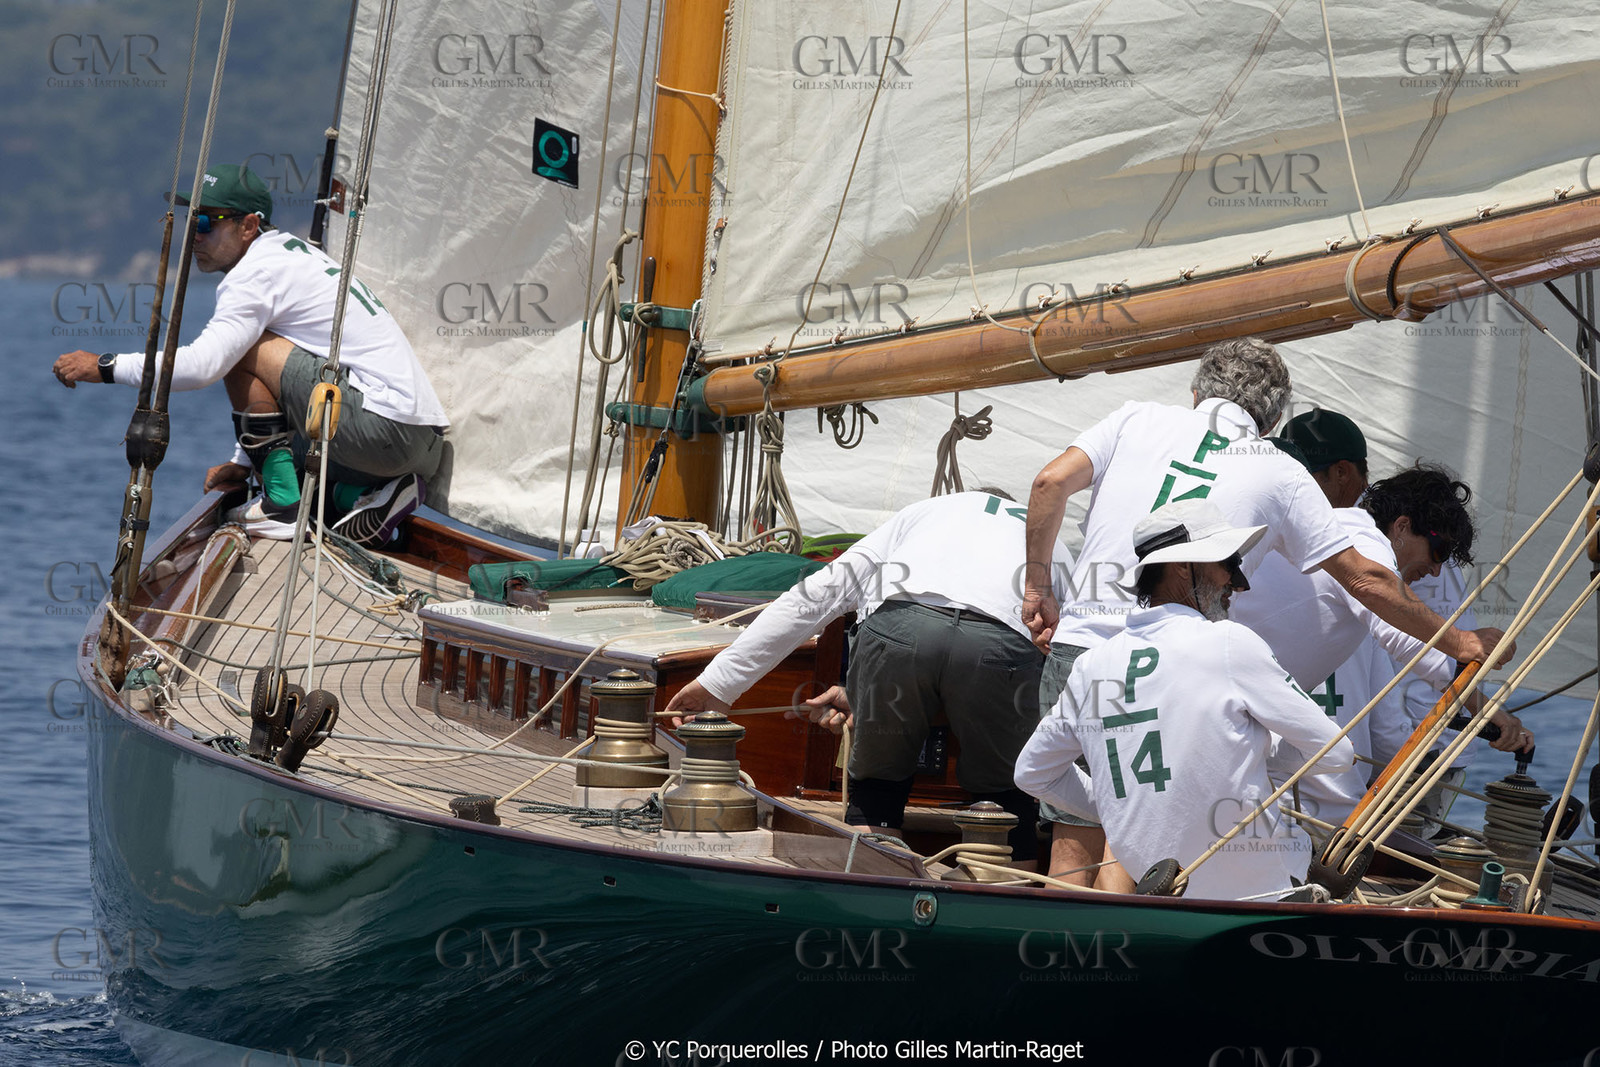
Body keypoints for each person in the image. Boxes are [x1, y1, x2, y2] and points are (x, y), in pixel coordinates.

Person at [1017, 338, 1511, 877]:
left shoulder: (1135, 418)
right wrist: (1461, 642)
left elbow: (1048, 483)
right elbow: (1368, 582)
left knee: (1078, 832)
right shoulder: (1277, 470)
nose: (1239, 581)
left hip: (1084, 646)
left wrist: (1039, 589)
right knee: (1134, 829)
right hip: (1182, 661)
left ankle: (1076, 935)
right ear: (1274, 417)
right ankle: (1125, 942)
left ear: (1196, 391)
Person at [665, 490, 1077, 864]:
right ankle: (1004, 904)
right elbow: (1076, 650)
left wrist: (717, 685)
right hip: (1002, 643)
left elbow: (814, 598)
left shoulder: (924, 512)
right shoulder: (1053, 538)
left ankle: (877, 869)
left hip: (898, 630)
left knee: (876, 794)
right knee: (1008, 801)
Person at [51, 163, 448, 545]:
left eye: (206, 223)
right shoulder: (289, 253)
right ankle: (359, 496)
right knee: (287, 444)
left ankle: (281, 508)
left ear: (249, 226)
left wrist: (104, 367)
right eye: (192, 222)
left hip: (381, 430)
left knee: (239, 352)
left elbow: (205, 366)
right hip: (416, 444)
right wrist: (242, 463)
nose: (195, 236)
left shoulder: (255, 274)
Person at [1015, 499, 1356, 901]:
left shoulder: (1092, 666)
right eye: (1228, 563)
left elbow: (1032, 773)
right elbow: (1336, 752)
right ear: (1182, 566)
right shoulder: (1229, 644)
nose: (1239, 582)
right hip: (1270, 889)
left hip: (1165, 889)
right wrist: (1263, 754)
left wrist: (1121, 811)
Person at [1231, 417, 1532, 827]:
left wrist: (1491, 712)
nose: (1435, 569)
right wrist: (1469, 655)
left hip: (1231, 714)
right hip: (1234, 714)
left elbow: (1417, 656)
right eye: (1438, 550)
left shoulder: (1322, 531)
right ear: (1402, 527)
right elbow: (1412, 648)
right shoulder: (1361, 542)